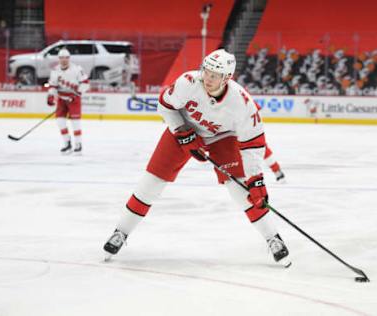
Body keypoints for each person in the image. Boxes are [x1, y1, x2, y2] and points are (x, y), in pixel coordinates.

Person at [103, 49, 291, 267]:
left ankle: (273, 238)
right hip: (184, 130)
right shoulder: (188, 82)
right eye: (207, 71)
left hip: (223, 137)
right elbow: (165, 106)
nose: (208, 78)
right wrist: (181, 131)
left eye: (215, 75)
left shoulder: (243, 103)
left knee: (242, 191)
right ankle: (121, 232)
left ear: (227, 77)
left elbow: (253, 145)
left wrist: (256, 179)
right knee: (151, 182)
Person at [47, 48, 89, 155]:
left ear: (69, 58)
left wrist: (77, 94)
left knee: (75, 123)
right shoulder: (55, 70)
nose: (64, 60)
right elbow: (52, 85)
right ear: (59, 59)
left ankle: (78, 144)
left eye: (66, 58)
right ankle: (67, 143)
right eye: (61, 58)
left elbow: (85, 84)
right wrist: (51, 96)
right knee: (60, 122)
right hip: (61, 99)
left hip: (74, 99)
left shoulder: (77, 69)